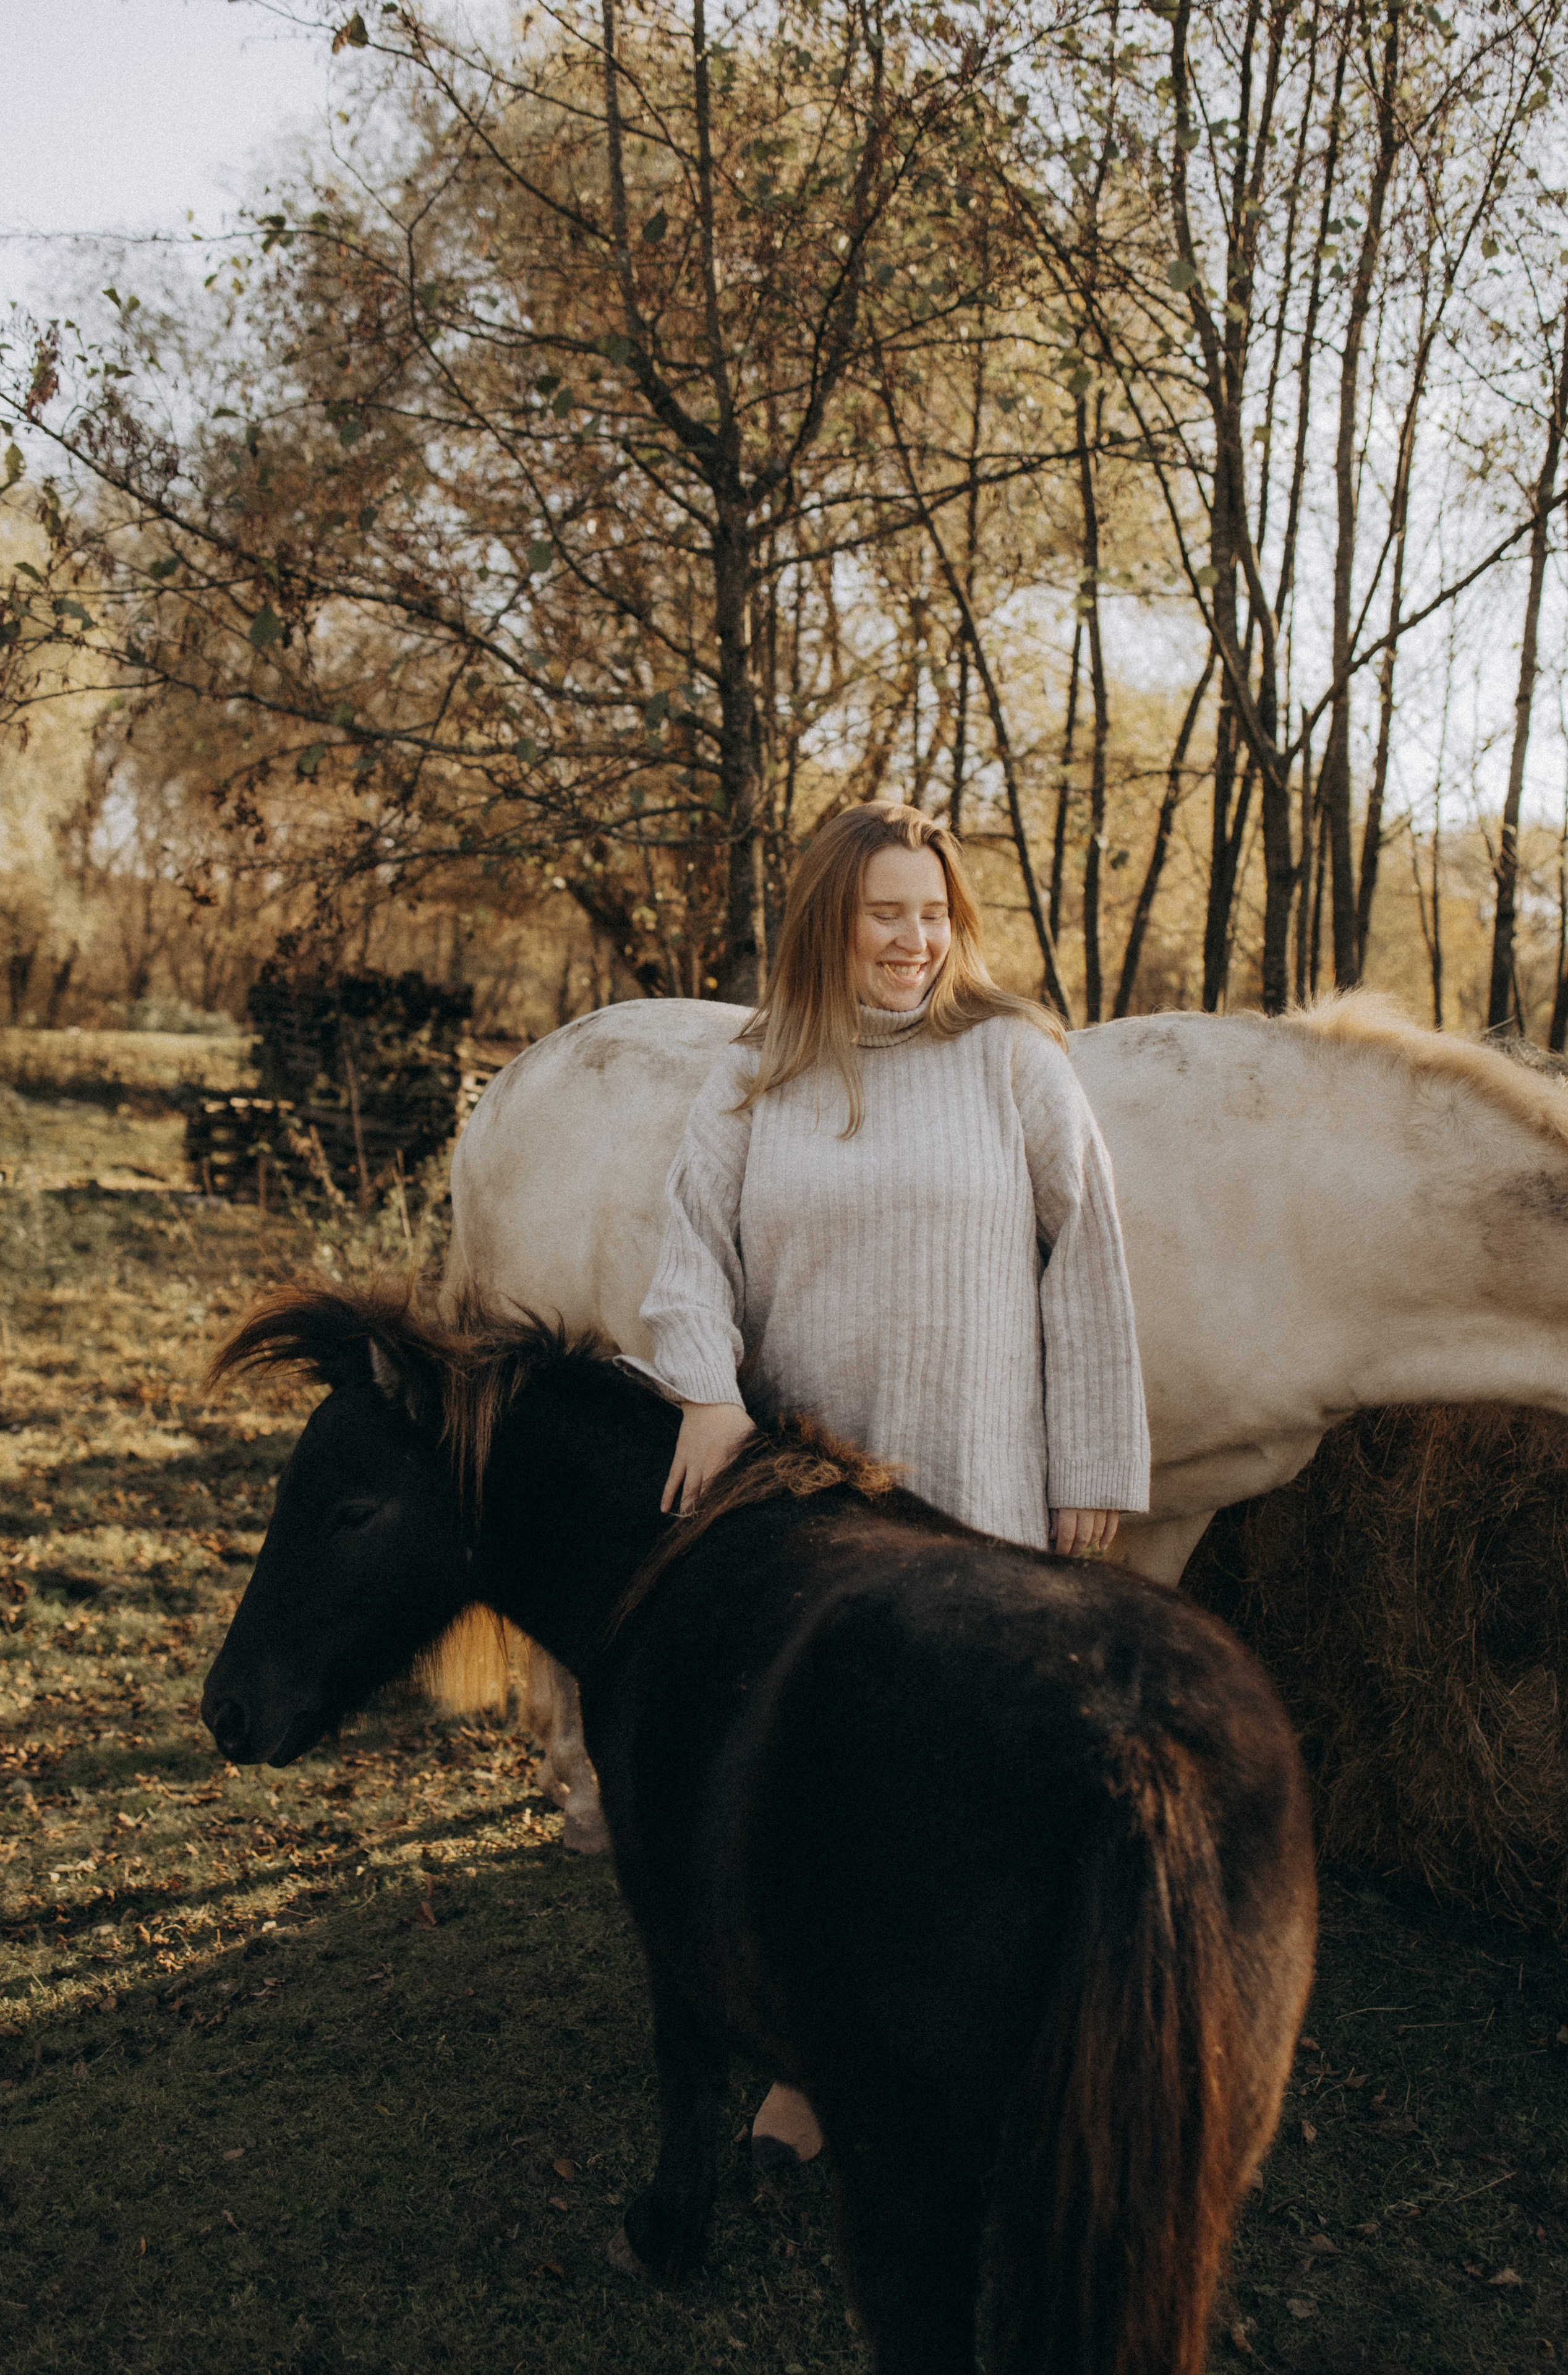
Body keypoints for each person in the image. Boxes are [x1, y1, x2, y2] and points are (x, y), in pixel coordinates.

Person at [625, 798, 1151, 2168]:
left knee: (968, 1775)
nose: (915, 941)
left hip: (973, 1480)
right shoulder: (756, 1072)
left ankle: (997, 2049)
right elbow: (688, 1246)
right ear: (827, 922)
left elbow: (1084, 1252)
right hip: (810, 1502)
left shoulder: (1007, 1063)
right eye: (885, 915)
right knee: (817, 1777)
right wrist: (699, 1387)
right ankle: (811, 2066)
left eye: (934, 913)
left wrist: (1091, 1455)